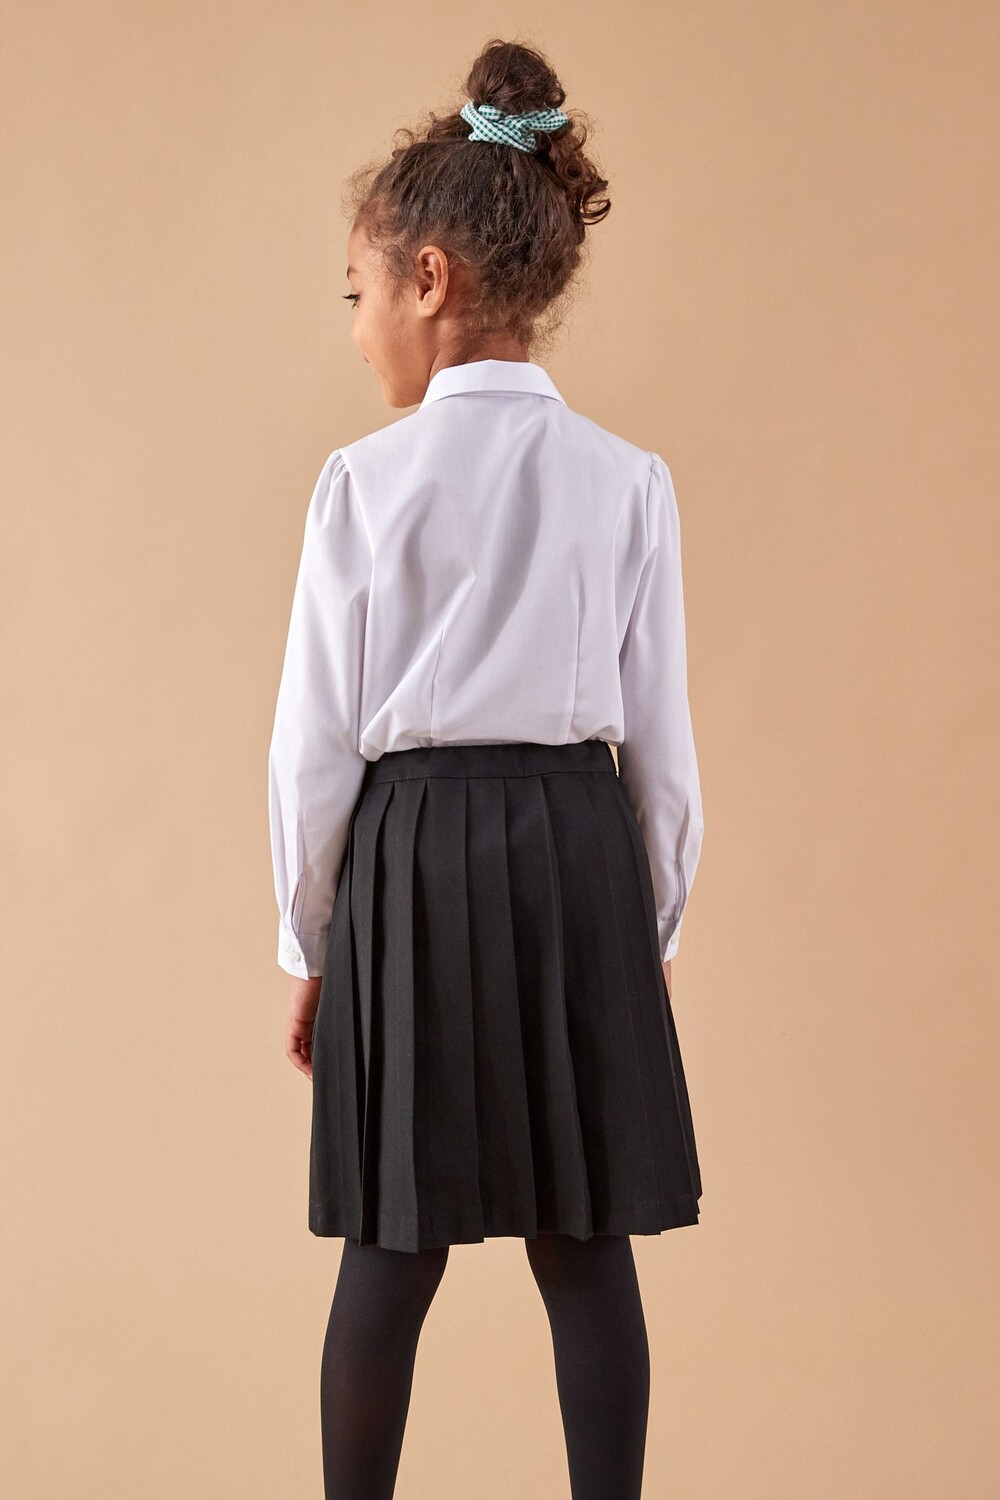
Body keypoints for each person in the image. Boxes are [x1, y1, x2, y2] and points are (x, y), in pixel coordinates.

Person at [266, 37, 705, 1500]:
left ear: (431, 280)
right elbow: (662, 748)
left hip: (410, 861)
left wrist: (313, 940)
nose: (355, 328)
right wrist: (641, 931)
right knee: (586, 1244)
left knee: (392, 1246)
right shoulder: (630, 481)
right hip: (580, 856)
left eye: (358, 292)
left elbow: (313, 746)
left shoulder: (361, 484)